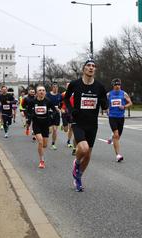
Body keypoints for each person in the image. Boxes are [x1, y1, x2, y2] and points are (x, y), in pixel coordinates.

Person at [64, 59, 108, 192]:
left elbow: (104, 104)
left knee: (88, 155)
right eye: (88, 65)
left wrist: (104, 103)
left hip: (92, 124)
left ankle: (78, 177)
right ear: (84, 69)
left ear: (95, 70)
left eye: (93, 66)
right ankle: (76, 164)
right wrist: (71, 111)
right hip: (78, 122)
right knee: (83, 148)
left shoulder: (100, 86)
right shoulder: (75, 84)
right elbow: (66, 98)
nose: (91, 68)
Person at [27, 85, 56, 169]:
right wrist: (29, 119)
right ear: (37, 92)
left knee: (45, 145)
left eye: (43, 90)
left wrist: (51, 120)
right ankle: (42, 161)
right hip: (36, 123)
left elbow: (54, 111)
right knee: (40, 142)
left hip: (46, 124)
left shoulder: (48, 101)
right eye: (39, 90)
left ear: (45, 92)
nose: (41, 92)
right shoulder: (33, 102)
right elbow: (28, 112)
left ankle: (41, 151)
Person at [107, 78, 132, 162]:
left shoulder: (124, 94)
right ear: (113, 86)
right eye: (116, 85)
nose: (117, 86)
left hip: (121, 117)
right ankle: (118, 155)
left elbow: (130, 103)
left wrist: (124, 106)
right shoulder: (109, 94)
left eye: (119, 85)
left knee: (117, 137)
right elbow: (103, 103)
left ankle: (111, 136)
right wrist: (106, 109)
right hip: (112, 117)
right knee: (116, 135)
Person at [46, 82, 62, 150]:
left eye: (57, 87)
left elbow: (62, 104)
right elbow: (45, 102)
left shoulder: (59, 95)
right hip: (49, 113)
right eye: (54, 87)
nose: (56, 88)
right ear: (52, 88)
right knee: (49, 130)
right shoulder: (48, 94)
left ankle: (53, 144)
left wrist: (60, 109)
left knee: (55, 130)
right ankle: (45, 138)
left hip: (56, 114)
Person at [61, 82, 76, 154]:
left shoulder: (75, 94)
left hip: (71, 112)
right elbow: (60, 103)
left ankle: (68, 141)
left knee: (71, 128)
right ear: (66, 87)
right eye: (67, 86)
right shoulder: (63, 94)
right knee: (65, 130)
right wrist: (61, 109)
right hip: (64, 112)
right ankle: (63, 125)